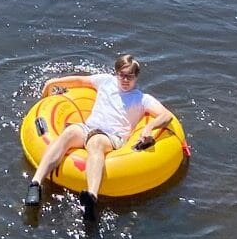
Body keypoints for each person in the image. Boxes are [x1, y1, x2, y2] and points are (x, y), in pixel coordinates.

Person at [24, 54, 172, 223]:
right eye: (121, 75)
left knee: (96, 142)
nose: (124, 79)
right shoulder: (105, 81)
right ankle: (35, 183)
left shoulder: (142, 99)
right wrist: (53, 82)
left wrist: (149, 127)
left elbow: (166, 115)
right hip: (88, 127)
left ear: (136, 77)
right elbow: (80, 81)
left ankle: (91, 196)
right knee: (69, 132)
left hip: (112, 137)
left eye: (129, 76)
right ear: (116, 73)